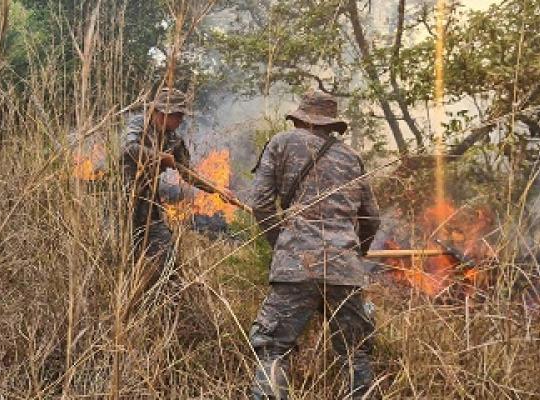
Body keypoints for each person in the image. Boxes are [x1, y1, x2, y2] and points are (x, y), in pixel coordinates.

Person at [249, 90, 381, 399]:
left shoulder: (281, 143)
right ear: (331, 123)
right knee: (355, 352)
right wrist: (353, 255)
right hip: (345, 270)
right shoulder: (352, 157)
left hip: (295, 264)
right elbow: (372, 219)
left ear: (300, 118)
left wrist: (281, 245)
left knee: (273, 349)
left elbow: (260, 204)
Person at [120, 87, 227, 310]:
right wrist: (160, 157)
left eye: (181, 115)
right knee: (120, 260)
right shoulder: (139, 124)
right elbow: (129, 149)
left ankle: (168, 309)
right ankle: (125, 307)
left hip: (149, 207)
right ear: (161, 112)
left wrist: (217, 190)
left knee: (166, 259)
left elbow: (188, 173)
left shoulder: (173, 140)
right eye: (176, 115)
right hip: (121, 204)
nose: (180, 120)